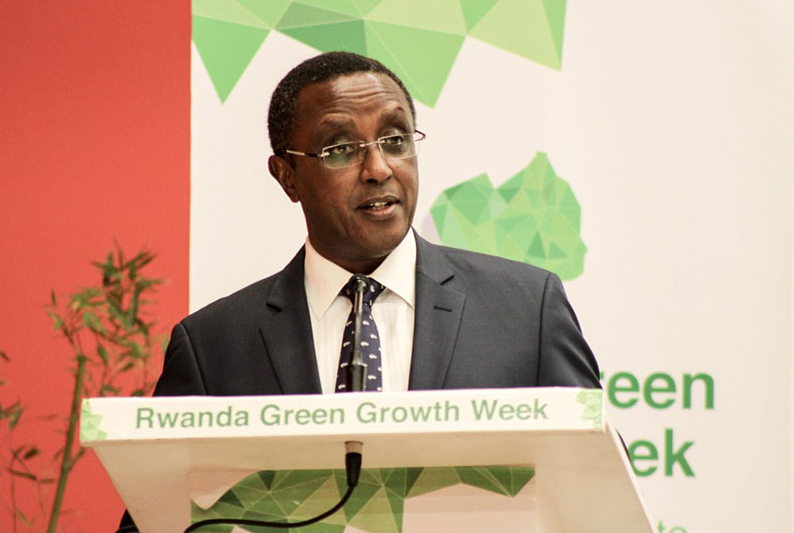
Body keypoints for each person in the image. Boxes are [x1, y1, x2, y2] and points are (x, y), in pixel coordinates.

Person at [117, 50, 600, 531]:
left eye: (395, 139)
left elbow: (594, 495)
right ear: (287, 175)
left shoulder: (525, 311)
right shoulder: (213, 346)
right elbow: (154, 518)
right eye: (340, 149)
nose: (379, 168)